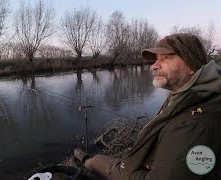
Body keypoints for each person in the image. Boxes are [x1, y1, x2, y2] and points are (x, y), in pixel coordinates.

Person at [74, 33, 221, 180]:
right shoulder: (185, 94)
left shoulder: (194, 125)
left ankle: (87, 161)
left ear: (191, 66)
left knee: (96, 162)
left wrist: (105, 166)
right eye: (157, 59)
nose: (154, 66)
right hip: (147, 163)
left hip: (134, 171)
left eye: (167, 57)